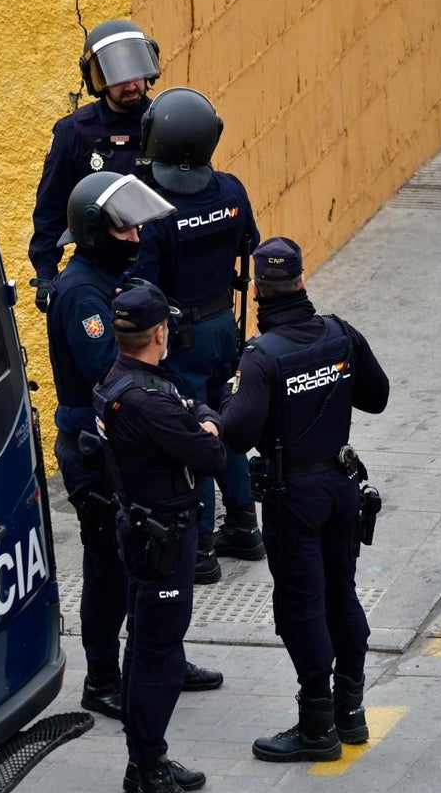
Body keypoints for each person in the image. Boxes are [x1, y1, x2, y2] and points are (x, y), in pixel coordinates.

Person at [46, 170, 223, 722]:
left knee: (151, 564)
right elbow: (114, 376)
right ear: (97, 232)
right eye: (123, 231)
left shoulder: (111, 282)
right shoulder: (81, 295)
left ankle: (162, 655)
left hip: (127, 446)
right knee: (109, 568)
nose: (136, 239)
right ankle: (101, 678)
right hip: (96, 452)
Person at [220, 236, 390, 762]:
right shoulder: (341, 335)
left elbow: (236, 434)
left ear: (261, 292)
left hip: (293, 499)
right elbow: (377, 397)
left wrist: (229, 396)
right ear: (301, 281)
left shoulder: (262, 357)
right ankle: (352, 713)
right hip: (342, 489)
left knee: (302, 605)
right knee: (342, 591)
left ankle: (317, 726)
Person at [93, 282, 226, 793]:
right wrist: (208, 424)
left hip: (144, 528)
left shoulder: (123, 381)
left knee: (144, 646)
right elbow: (211, 453)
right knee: (158, 654)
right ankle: (147, 767)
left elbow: (191, 407)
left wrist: (201, 419)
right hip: (162, 538)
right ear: (159, 333)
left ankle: (145, 759)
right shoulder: (149, 402)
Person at [130, 86, 265, 585]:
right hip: (221, 329)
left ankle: (202, 548)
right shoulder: (231, 191)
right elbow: (248, 243)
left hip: (179, 336)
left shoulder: (153, 209)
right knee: (224, 425)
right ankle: (245, 527)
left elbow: (143, 283)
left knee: (192, 435)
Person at [29, 19, 162, 312]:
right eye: (118, 77)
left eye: (136, 74)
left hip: (159, 265)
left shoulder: (167, 121)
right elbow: (51, 209)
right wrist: (46, 274)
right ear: (97, 79)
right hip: (100, 271)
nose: (130, 85)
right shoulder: (74, 132)